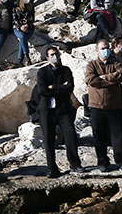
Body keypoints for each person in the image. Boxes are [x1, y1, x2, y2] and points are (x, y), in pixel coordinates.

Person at [32, 47, 85, 177]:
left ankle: (75, 164)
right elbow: (42, 91)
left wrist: (53, 87)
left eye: (56, 54)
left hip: (63, 110)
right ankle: (52, 168)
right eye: (51, 55)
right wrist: (60, 87)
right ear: (47, 58)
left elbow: (70, 87)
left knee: (70, 135)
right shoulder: (42, 72)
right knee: (49, 140)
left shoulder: (66, 70)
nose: (54, 56)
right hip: (47, 111)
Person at [85, 39, 122, 173]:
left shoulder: (116, 63)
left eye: (107, 48)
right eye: (102, 48)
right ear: (97, 50)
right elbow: (91, 80)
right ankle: (103, 162)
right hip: (96, 106)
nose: (105, 50)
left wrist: (103, 78)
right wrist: (112, 80)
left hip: (114, 105)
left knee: (117, 136)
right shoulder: (91, 65)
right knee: (99, 136)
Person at [12, 0, 35, 66]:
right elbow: (14, 20)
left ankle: (20, 60)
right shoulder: (16, 9)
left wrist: (27, 25)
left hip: (29, 29)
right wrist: (20, 27)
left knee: (23, 39)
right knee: (22, 37)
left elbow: (32, 20)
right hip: (18, 28)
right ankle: (27, 57)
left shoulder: (31, 8)